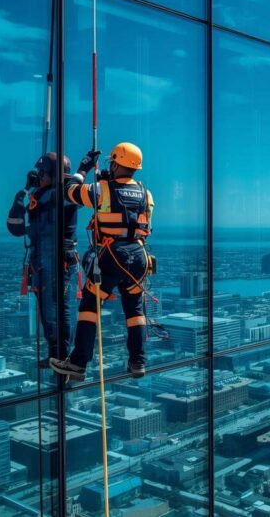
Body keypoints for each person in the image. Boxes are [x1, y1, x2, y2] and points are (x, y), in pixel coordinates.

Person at [50, 142, 154, 380]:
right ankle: (138, 363)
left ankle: (78, 363)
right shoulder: (145, 193)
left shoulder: (101, 190)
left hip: (111, 255)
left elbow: (70, 191)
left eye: (112, 163)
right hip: (138, 257)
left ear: (116, 163)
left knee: (89, 308)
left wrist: (82, 169)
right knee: (135, 312)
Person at [7, 153, 78, 368]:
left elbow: (72, 190)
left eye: (41, 173)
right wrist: (25, 191)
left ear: (50, 174)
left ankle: (62, 354)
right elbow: (15, 228)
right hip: (44, 263)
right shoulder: (41, 196)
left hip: (55, 263)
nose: (39, 176)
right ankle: (55, 353)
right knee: (48, 312)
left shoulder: (63, 193)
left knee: (56, 310)